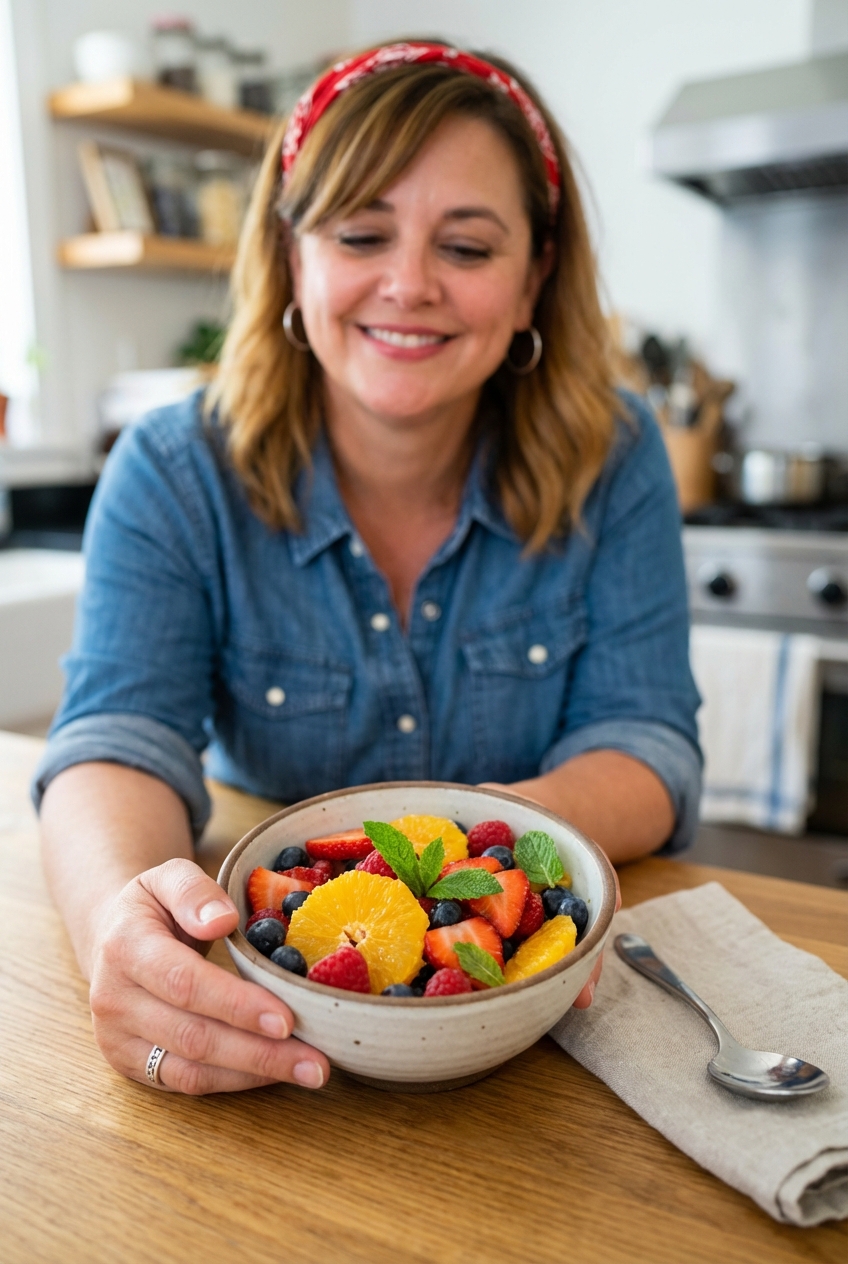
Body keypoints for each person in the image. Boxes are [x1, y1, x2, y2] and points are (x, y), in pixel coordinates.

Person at [34, 42, 701, 1096]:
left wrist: (460, 856)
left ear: (534, 277)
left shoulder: (613, 457)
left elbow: (645, 743)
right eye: (359, 234)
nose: (408, 285)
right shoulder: (171, 470)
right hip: (273, 1019)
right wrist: (121, 925)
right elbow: (119, 737)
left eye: (466, 247)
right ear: (291, 253)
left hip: (540, 1044)